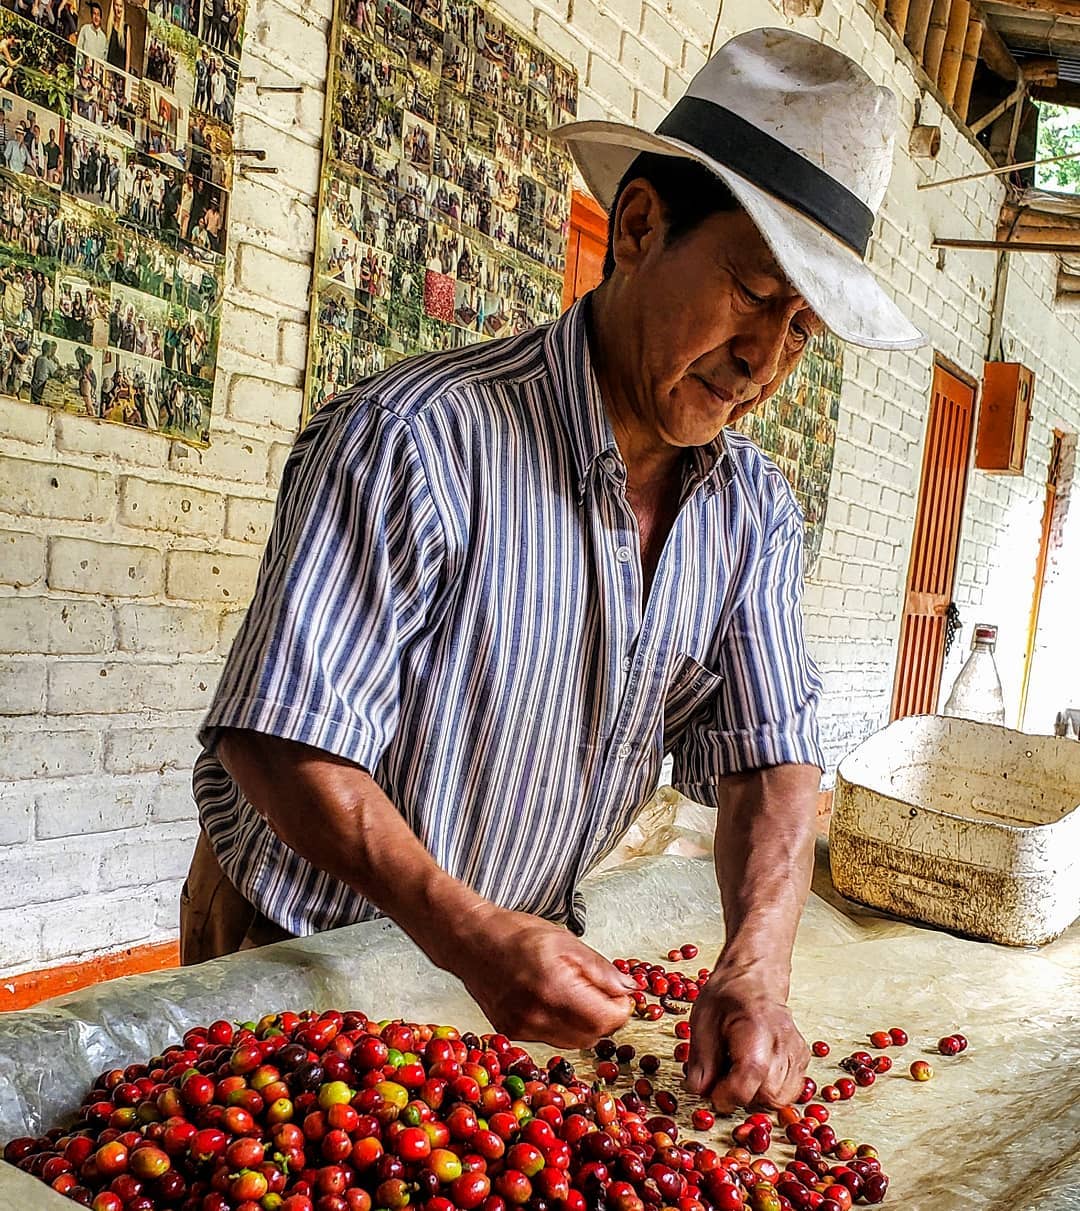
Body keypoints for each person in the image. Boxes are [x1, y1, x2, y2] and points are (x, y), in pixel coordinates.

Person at [185, 29, 924, 1109]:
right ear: (637, 226)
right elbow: (282, 738)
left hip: (501, 976)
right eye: (755, 292)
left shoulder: (754, 514)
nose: (766, 361)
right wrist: (465, 929)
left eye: (804, 330)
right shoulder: (415, 439)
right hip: (302, 951)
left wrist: (756, 964)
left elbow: (770, 761)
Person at [105, 0, 129, 71]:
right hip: (109, 67)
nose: (118, 9)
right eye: (116, 5)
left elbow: (128, 56)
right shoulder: (110, 26)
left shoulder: (126, 28)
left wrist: (126, 76)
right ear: (113, 6)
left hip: (120, 71)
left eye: (120, 6)